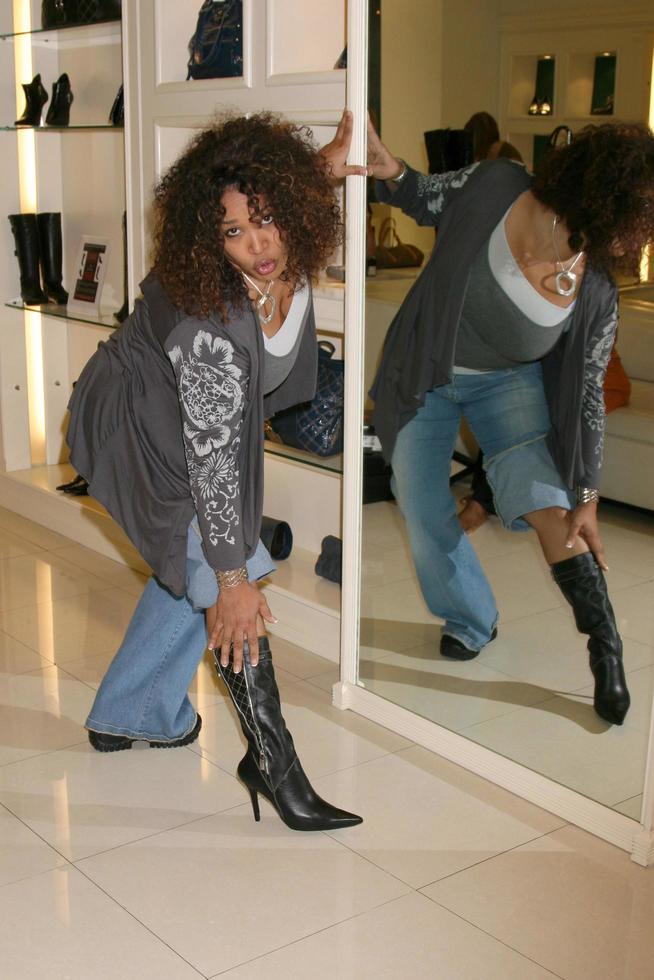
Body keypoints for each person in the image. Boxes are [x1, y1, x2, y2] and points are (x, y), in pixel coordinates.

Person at [66, 110, 366, 831]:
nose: (257, 246)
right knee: (227, 574)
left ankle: (128, 713)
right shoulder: (212, 318)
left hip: (187, 417)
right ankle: (273, 762)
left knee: (198, 566)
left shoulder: (278, 243)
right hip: (138, 421)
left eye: (267, 219)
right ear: (210, 236)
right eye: (233, 232)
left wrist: (330, 156)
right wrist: (233, 581)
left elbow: (287, 191)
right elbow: (210, 463)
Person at [366, 118, 654, 727]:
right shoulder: (498, 183)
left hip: (511, 385)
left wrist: (589, 492)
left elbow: (588, 397)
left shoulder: (596, 284)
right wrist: (389, 170)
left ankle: (605, 648)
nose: (635, 241)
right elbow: (424, 195)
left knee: (553, 504)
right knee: (419, 505)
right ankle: (472, 618)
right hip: (432, 364)